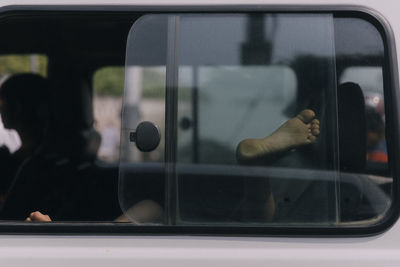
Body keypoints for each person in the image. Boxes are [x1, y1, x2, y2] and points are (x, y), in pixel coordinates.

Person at [0, 74, 49, 203]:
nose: (0, 108)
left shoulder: (32, 165)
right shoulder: (35, 154)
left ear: (16, 107)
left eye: (2, 101)